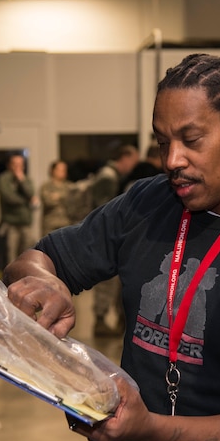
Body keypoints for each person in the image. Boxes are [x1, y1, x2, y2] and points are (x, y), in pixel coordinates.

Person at [3, 53, 220, 441]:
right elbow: (37, 258)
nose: (172, 160)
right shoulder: (148, 202)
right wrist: (45, 282)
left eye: (191, 140)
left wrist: (148, 426)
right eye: (162, 142)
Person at [90, 144, 140, 337]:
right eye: (132, 161)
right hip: (105, 237)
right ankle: (100, 321)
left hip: (108, 236)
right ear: (124, 158)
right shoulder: (108, 177)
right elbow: (105, 209)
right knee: (106, 281)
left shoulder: (110, 175)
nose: (133, 166)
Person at [0, 153, 38, 266]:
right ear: (9, 165)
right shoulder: (3, 179)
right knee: (11, 255)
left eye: (20, 164)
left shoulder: (26, 180)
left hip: (25, 223)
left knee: (27, 254)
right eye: (14, 164)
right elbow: (9, 198)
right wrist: (28, 201)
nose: (17, 167)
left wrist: (22, 181)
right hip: (11, 224)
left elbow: (31, 193)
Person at [39, 160, 72, 234]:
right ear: (52, 170)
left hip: (66, 223)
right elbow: (48, 202)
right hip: (50, 224)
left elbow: (73, 202)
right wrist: (64, 197)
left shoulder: (69, 186)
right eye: (60, 169)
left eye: (64, 170)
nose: (63, 172)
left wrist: (59, 196)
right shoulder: (46, 186)